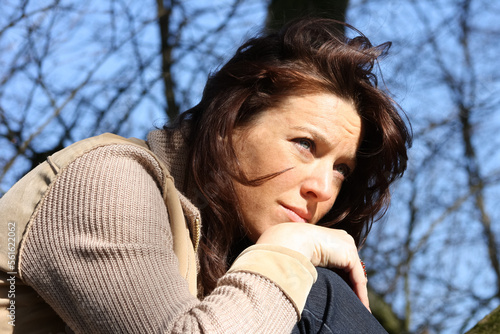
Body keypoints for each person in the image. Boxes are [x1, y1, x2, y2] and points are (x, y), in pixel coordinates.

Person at [0, 18, 410, 333]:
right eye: (305, 144)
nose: (321, 188)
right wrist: (290, 248)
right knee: (314, 293)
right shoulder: (105, 180)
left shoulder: (222, 250)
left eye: (341, 170)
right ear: (230, 122)